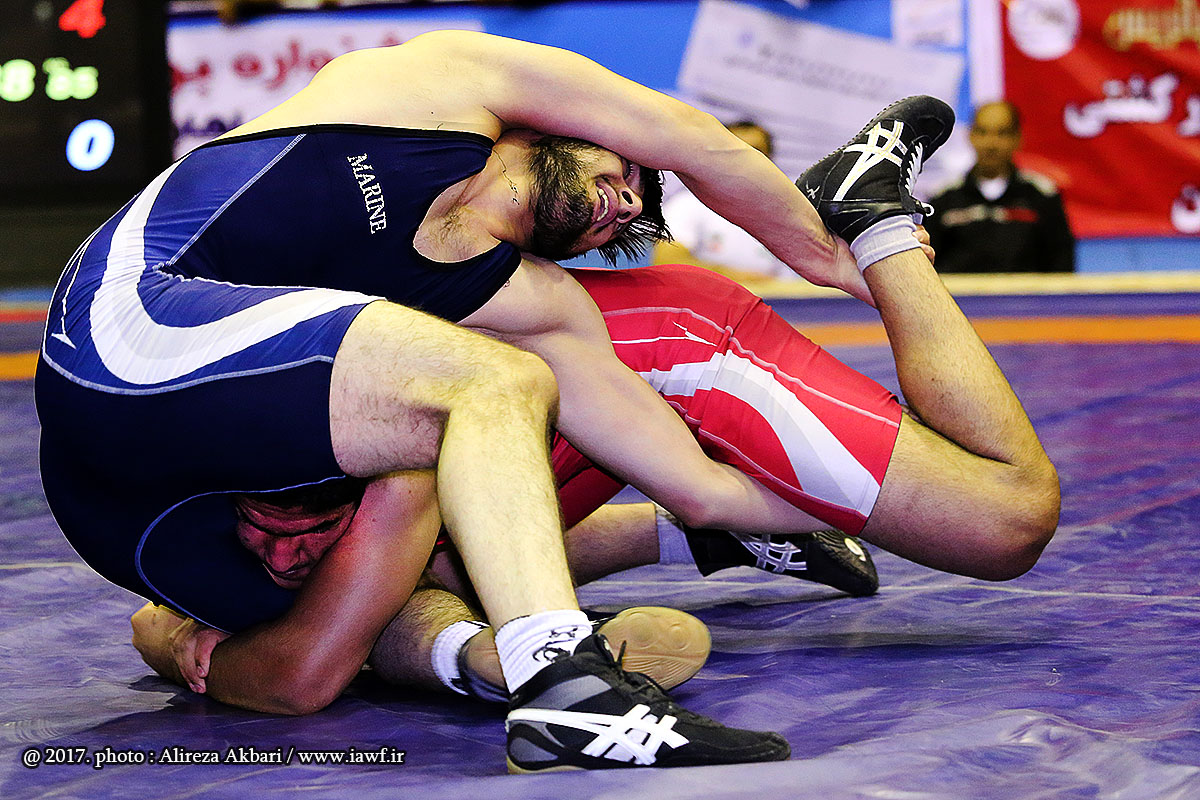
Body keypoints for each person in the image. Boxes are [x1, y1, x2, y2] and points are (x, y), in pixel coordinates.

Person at [37, 28, 1057, 770]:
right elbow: (690, 139)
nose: (627, 201)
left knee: (472, 421)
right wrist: (821, 253)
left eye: (632, 220)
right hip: (123, 321)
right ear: (569, 128)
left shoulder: (532, 303)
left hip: (155, 476)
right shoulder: (435, 89)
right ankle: (561, 681)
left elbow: (700, 488)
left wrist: (889, 508)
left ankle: (530, 665)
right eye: (628, 175)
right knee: (490, 385)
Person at [131, 260, 895, 705]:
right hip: (447, 419)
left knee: (394, 594)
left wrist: (204, 655)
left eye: (310, 534)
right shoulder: (217, 471)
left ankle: (502, 660)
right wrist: (176, 635)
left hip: (508, 419)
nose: (282, 555)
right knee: (405, 579)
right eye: (265, 530)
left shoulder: (395, 462)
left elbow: (304, 677)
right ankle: (696, 539)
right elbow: (146, 621)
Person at [924, 101, 1075, 273]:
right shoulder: (943, 199)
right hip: (954, 291)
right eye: (983, 132)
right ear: (971, 136)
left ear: (1018, 138)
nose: (991, 143)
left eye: (1002, 133)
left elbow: (1062, 268)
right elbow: (927, 267)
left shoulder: (1042, 197)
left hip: (1027, 291)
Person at [652, 121, 796, 281]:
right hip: (710, 296)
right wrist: (739, 280)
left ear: (770, 160)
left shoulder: (787, 214)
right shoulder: (687, 205)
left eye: (756, 152)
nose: (746, 160)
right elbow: (667, 262)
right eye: (736, 151)